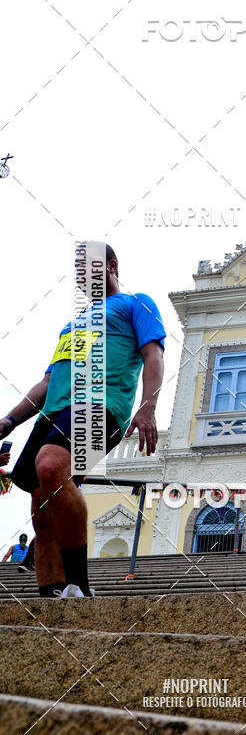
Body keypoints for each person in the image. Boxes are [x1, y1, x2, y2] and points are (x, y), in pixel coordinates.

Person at [1, 242, 165, 599]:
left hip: (102, 405)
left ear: (110, 265)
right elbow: (47, 382)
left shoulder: (136, 303)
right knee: (41, 504)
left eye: (86, 266)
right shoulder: (70, 327)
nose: (80, 274)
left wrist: (148, 406)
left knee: (49, 465)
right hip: (54, 412)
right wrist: (9, 421)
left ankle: (80, 586)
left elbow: (153, 354)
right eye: (76, 269)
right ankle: (51, 595)